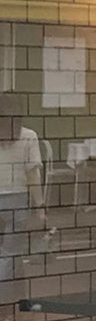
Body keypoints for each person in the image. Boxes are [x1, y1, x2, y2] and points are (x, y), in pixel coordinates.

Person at [0, 93, 45, 280]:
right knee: (10, 251)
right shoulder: (28, 137)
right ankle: (6, 291)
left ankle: (15, 286)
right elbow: (32, 175)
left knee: (9, 254)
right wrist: (40, 207)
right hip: (17, 201)